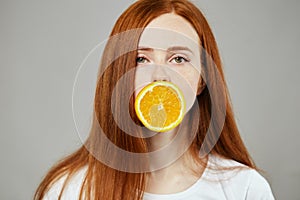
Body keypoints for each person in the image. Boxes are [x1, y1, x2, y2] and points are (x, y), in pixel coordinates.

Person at [34, 0, 275, 199]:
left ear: (203, 79)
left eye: (178, 59)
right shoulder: (70, 190)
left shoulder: (245, 189)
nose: (160, 75)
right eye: (141, 59)